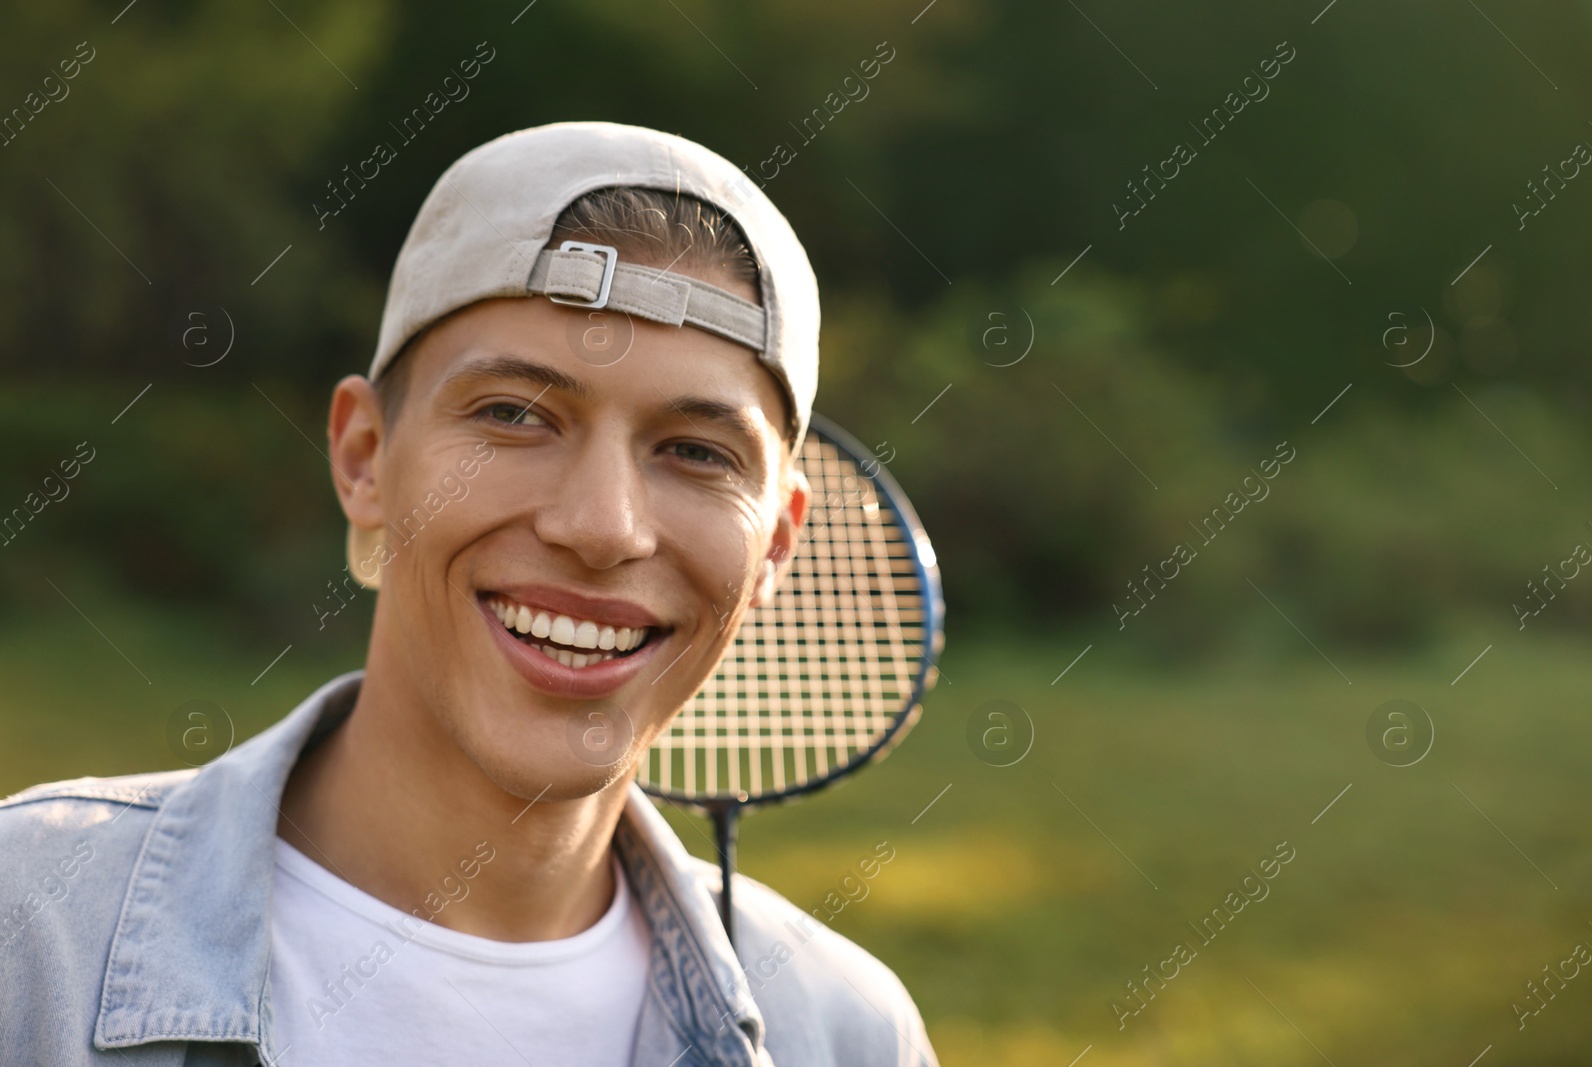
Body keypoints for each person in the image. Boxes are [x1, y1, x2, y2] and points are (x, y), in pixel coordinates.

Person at [0, 121, 939, 1066]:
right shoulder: (31, 933)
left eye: (696, 452)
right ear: (365, 459)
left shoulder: (849, 1031)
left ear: (776, 540)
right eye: (516, 414)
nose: (605, 526)